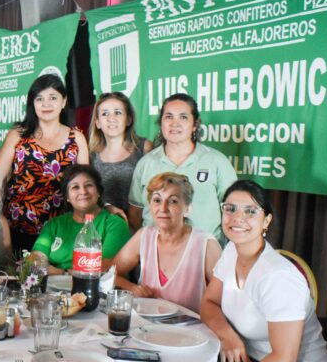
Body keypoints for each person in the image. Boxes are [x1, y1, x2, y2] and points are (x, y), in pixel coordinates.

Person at [192, 180, 327, 362]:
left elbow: (284, 359)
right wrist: (229, 337)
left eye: (250, 211)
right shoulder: (231, 252)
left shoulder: (278, 277)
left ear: (266, 221)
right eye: (230, 208)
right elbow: (209, 302)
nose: (238, 218)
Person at [0, 74, 89, 254]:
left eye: (53, 98)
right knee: (20, 279)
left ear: (63, 102)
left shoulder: (76, 139)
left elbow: (85, 187)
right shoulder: (18, 134)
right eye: (40, 99)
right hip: (17, 229)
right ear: (32, 103)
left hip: (61, 232)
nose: (46, 104)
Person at [128, 93, 236, 240]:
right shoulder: (146, 163)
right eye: (169, 116)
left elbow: (233, 212)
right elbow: (135, 214)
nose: (175, 123)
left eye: (183, 117)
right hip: (156, 255)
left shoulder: (217, 162)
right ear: (161, 123)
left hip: (206, 256)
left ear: (195, 125)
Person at [112, 172, 221, 313]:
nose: (163, 208)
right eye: (157, 200)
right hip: (146, 330)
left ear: (187, 208)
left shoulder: (205, 244)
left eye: (173, 201)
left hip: (191, 331)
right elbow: (111, 274)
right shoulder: (144, 236)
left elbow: (224, 300)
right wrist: (132, 288)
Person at [30, 165, 129, 275]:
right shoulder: (54, 224)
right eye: (75, 187)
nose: (83, 191)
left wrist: (63, 274)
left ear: (99, 192)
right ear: (67, 197)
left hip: (97, 288)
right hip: (55, 288)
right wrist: (62, 273)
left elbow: (105, 267)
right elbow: (35, 259)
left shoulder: (115, 224)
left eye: (89, 185)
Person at [89, 92, 153, 215]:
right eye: (104, 113)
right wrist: (107, 207)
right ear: (97, 123)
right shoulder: (92, 155)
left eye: (118, 112)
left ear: (128, 119)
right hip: (107, 226)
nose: (111, 118)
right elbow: (90, 194)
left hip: (141, 226)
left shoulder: (144, 148)